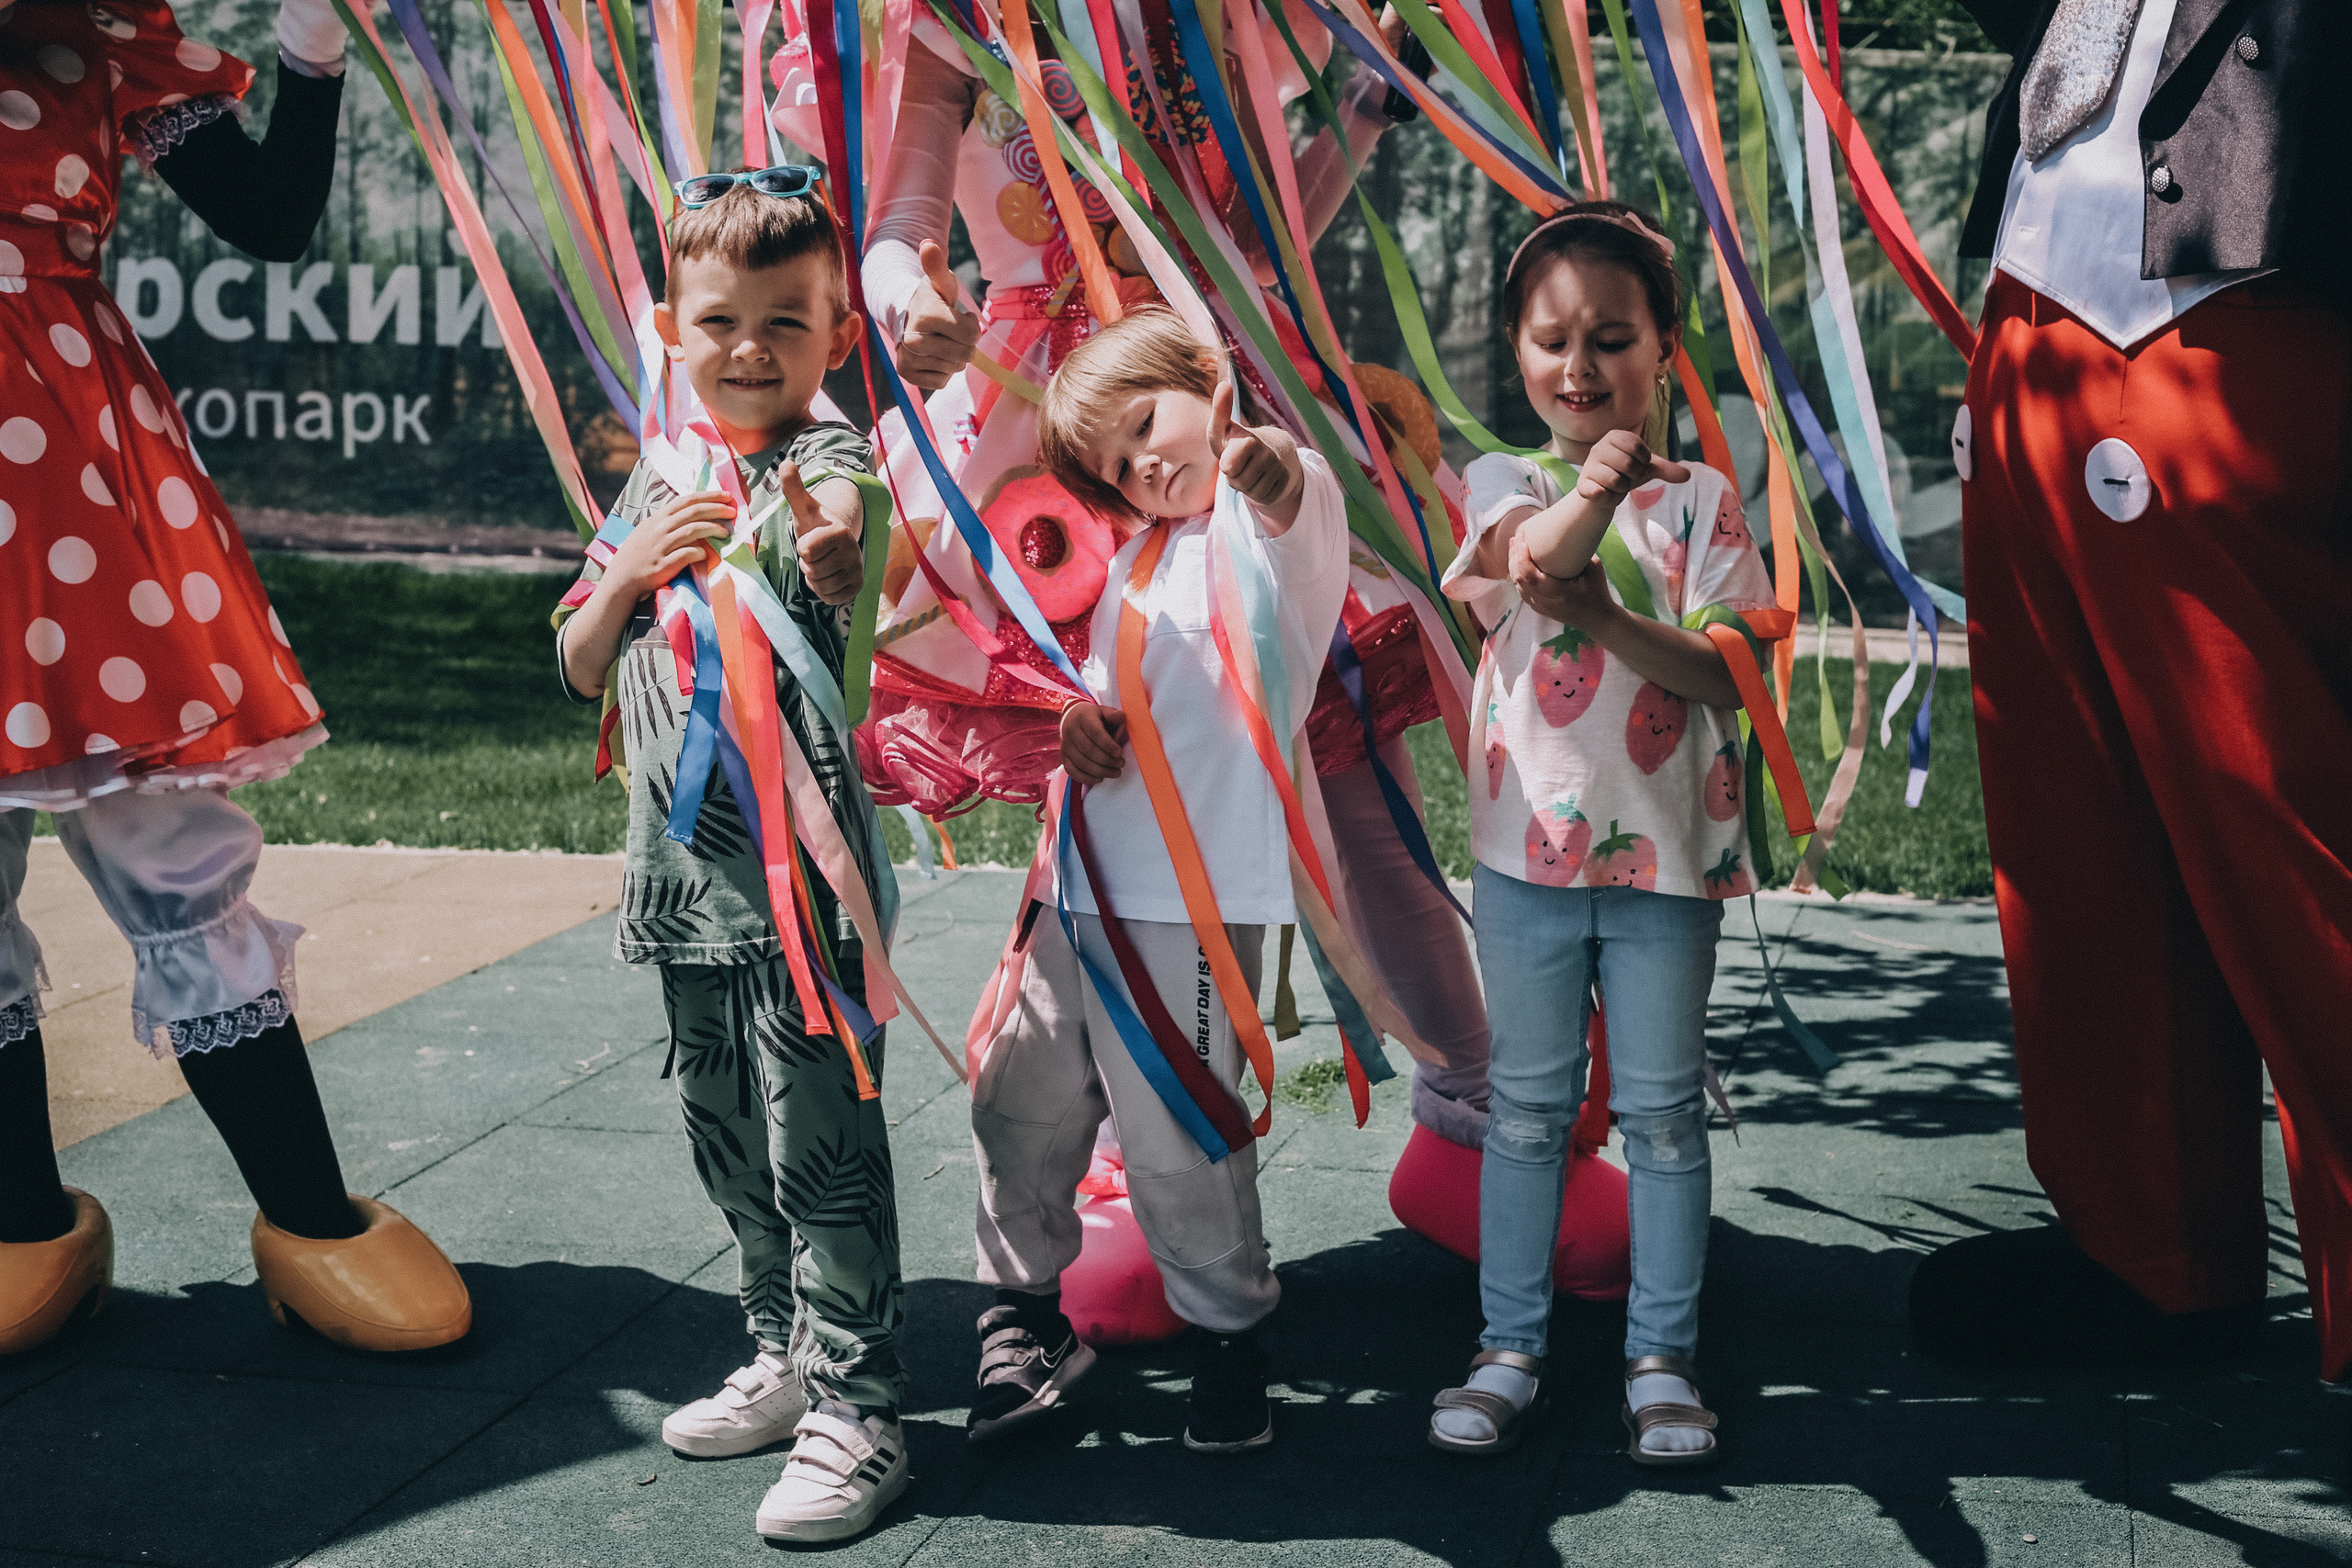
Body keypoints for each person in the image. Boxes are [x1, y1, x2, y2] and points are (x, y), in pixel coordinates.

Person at [851, 0, 1627, 1318]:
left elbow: (1251, 234)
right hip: (1065, 436)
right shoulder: (960, 16)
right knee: (1108, 809)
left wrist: (1370, 105)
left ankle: (1481, 1120)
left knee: (1356, 797)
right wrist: (903, 288)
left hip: (1232, 399)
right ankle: (1135, 1167)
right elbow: (900, 212)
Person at [0, 0, 470, 1357]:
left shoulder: (99, 47)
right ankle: (25, 1218)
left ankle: (312, 1217)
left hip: (72, 496)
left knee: (165, 841)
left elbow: (266, 215)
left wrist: (312, 49)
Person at [1907, 0, 2352, 1382]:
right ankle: (2149, 1246)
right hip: (2037, 311)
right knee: (2072, 824)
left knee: (2289, 840)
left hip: (2240, 322)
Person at [553, 177, 907, 1544]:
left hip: (798, 890)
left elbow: (846, 582)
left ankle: (863, 1399)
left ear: (833, 339)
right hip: (679, 880)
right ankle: (782, 1348)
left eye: (786, 321)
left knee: (821, 1135)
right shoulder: (659, 472)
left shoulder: (840, 464)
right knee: (720, 1125)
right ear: (667, 326)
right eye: (721, 319)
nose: (751, 345)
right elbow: (576, 655)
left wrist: (830, 560)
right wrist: (632, 563)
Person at [962, 308, 1349, 1454]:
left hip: (1201, 909)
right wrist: (1078, 726)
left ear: (1204, 378)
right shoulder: (1134, 559)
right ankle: (1022, 1315)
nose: (1144, 465)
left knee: (1186, 1140)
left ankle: (1230, 1339)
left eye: (1146, 424)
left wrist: (1257, 460)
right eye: (1118, 465)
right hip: (1075, 891)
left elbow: (1288, 492)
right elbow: (1124, 699)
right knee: (1013, 1102)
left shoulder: (1267, 514)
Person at [1424, 206, 1772, 1466]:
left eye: (1612, 338)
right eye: (1552, 338)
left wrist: (1615, 611)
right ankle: (1508, 1344)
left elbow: (1728, 678)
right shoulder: (1499, 483)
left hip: (1670, 861)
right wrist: (1593, 502)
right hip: (1526, 860)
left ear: (1666, 349)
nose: (1580, 366)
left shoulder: (1707, 503)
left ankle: (1661, 1355)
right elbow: (1538, 568)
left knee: (1666, 1114)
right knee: (1527, 1105)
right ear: (1514, 352)